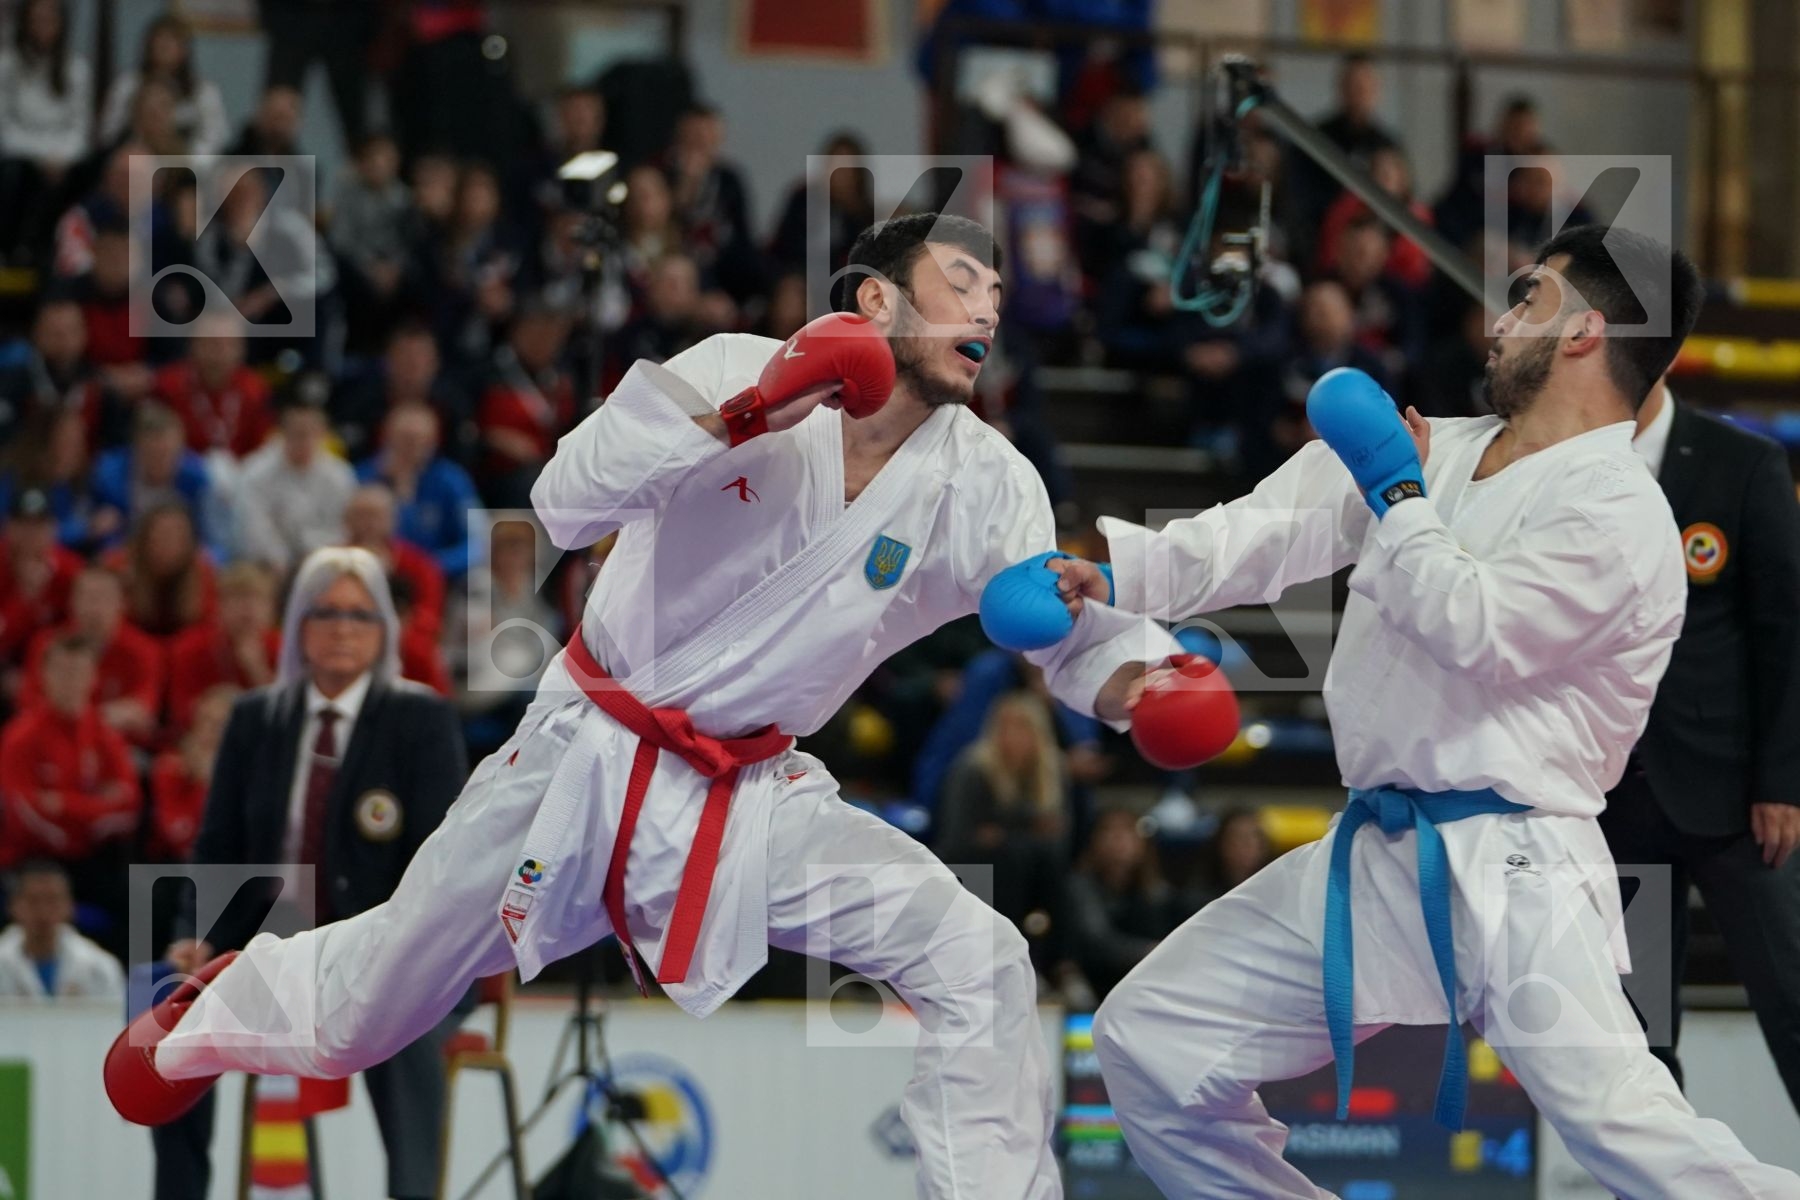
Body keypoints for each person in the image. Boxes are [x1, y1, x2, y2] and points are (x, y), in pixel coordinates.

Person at [109, 212, 1183, 1199]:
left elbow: (1056, 614)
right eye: (962, 281)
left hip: (752, 794)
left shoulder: (988, 482)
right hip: (583, 755)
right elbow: (564, 502)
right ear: (875, 302)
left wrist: (1141, 676)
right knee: (364, 1013)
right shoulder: (735, 370)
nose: (990, 306)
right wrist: (749, 413)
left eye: (997, 292)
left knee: (976, 954)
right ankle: (205, 1016)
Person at [1050, 226, 1800, 1196]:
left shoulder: (1621, 513)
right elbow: (1263, 533)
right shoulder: (1437, 449)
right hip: (1377, 854)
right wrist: (1117, 574)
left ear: (1585, 332)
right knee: (1150, 1034)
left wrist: (1397, 493)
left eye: (1528, 299)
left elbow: (1480, 628)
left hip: (1519, 872)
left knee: (1632, 1136)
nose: (1497, 321)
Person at [151, 548, 469, 1200]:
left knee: (403, 1019)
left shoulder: (421, 717)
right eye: (325, 612)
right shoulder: (256, 717)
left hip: (391, 951)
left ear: (385, 628)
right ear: (298, 624)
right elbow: (216, 847)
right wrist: (196, 936)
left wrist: (388, 953)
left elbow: (443, 865)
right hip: (276, 949)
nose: (342, 628)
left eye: (360, 614)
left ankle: (413, 1193)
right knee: (160, 996)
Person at [1601, 374, 1800, 1109]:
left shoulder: (1740, 463)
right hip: (1615, 805)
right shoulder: (1564, 468)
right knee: (1637, 1042)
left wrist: (1784, 783)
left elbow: (1788, 632)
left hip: (1739, 805)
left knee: (1793, 1003)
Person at [1061, 809, 1177, 1004]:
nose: (1118, 840)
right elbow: (1097, 943)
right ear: (1093, 842)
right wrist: (1153, 950)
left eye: (1126, 832)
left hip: (1143, 985)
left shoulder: (1158, 892)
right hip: (1094, 981)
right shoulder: (1079, 886)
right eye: (1108, 832)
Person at [97, 13, 229, 156]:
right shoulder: (128, 85)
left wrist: (187, 161)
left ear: (185, 49)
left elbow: (216, 137)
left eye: (172, 41)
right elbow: (109, 133)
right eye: (160, 40)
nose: (165, 47)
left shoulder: (204, 91)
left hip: (188, 165)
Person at [0, 859, 124, 999]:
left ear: (70, 906)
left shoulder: (100, 966)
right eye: (33, 901)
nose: (43, 912)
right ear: (12, 906)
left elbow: (115, 1020)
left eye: (52, 900)